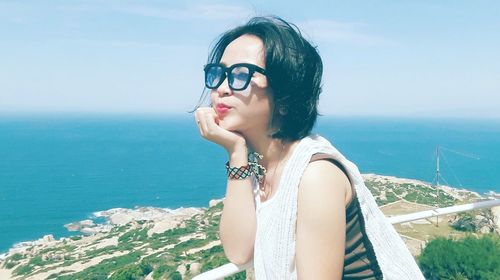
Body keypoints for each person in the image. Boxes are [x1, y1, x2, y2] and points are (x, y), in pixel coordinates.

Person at [194, 16, 424, 280]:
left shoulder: (316, 176)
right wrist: (236, 153)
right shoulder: (261, 166)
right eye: (219, 73)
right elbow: (238, 252)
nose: (221, 89)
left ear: (284, 98)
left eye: (241, 74)